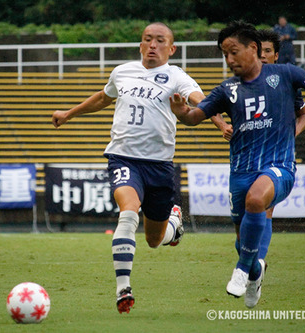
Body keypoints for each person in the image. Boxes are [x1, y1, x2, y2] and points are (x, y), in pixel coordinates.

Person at [170, 21, 305, 308]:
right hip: (240, 171)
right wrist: (181, 112)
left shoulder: (286, 74)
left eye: (234, 52)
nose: (229, 60)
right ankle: (254, 274)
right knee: (243, 241)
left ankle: (241, 270)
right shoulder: (226, 90)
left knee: (256, 201)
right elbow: (193, 118)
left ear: (253, 49)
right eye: (225, 54)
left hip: (279, 167)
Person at [52, 22, 205, 314]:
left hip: (159, 165)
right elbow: (102, 97)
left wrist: (220, 119)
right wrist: (69, 114)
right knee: (128, 211)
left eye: (160, 41)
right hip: (123, 158)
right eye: (147, 39)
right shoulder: (122, 71)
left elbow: (200, 100)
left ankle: (173, 225)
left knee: (153, 240)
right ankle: (123, 288)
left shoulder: (177, 77)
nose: (152, 45)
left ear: (171, 49)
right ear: (140, 45)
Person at [210, 28, 305, 270]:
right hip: (243, 160)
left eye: (268, 51)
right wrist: (223, 124)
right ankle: (252, 265)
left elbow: (303, 114)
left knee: (264, 208)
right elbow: (209, 106)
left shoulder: (285, 83)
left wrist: (291, 132)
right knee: (243, 232)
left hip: (274, 159)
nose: (263, 55)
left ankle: (255, 266)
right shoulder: (239, 84)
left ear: (276, 56)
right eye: (260, 50)